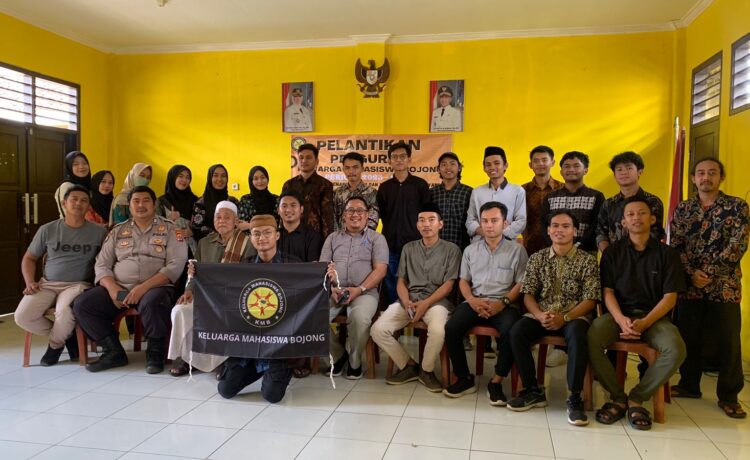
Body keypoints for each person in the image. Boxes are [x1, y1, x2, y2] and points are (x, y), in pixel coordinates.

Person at [588, 197, 686, 430]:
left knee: (676, 348)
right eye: (630, 214)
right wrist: (621, 320)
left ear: (652, 219)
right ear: (623, 222)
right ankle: (617, 397)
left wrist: (645, 322)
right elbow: (607, 292)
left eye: (642, 213)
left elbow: (670, 297)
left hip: (654, 318)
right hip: (618, 315)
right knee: (591, 337)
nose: (636, 218)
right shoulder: (612, 253)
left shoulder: (668, 254)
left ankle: (637, 397)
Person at [73, 186, 188, 374]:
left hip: (155, 287)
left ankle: (155, 354)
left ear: (154, 204)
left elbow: (176, 264)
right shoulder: (118, 230)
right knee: (83, 304)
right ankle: (113, 352)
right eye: (136, 201)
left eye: (146, 200)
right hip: (120, 288)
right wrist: (112, 288)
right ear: (130, 205)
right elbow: (101, 264)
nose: (141, 205)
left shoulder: (171, 229)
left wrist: (142, 288)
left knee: (153, 302)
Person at [670, 158, 748, 419]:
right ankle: (688, 384)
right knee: (689, 336)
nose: (706, 177)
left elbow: (738, 245)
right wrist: (691, 274)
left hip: (724, 285)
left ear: (721, 177)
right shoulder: (683, 209)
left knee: (728, 341)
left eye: (712, 173)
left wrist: (710, 273)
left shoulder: (737, 206)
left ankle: (729, 396)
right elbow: (676, 245)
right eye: (701, 173)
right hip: (690, 285)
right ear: (693, 178)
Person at [506, 210, 600, 426]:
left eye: (566, 226)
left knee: (578, 336)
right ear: (548, 230)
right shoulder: (537, 258)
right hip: (543, 313)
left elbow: (591, 299)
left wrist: (565, 317)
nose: (560, 230)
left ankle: (574, 397)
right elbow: (528, 294)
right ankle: (533, 390)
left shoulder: (587, 260)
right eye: (555, 226)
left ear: (575, 231)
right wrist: (539, 315)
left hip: (574, 316)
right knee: (517, 331)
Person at [370, 203, 461, 391]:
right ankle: (409, 365)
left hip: (437, 302)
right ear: (417, 224)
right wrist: (406, 302)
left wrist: (426, 304)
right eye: (422, 220)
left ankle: (426, 370)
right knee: (377, 329)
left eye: (431, 220)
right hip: (409, 301)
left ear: (440, 224)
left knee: (438, 330)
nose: (426, 224)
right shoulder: (408, 248)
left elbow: (449, 285)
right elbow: (401, 281)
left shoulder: (452, 250)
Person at [443, 202, 527, 404]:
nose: (489, 225)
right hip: (476, 301)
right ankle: (464, 377)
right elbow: (464, 281)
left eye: (494, 220)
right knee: (451, 327)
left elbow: (521, 283)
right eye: (485, 221)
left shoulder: (517, 251)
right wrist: (472, 301)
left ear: (505, 223)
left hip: (505, 303)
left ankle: (496, 381)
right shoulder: (470, 250)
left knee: (512, 331)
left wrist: (503, 302)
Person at [15, 185, 107, 366]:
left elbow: (106, 260)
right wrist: (30, 282)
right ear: (64, 203)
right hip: (47, 284)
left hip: (78, 285)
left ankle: (55, 346)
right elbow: (29, 258)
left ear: (89, 206)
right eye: (74, 199)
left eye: (84, 200)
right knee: (22, 316)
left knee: (64, 312)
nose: (78, 203)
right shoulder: (47, 229)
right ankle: (68, 335)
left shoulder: (99, 232)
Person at [216, 214, 300, 402]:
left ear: (277, 235)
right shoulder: (243, 267)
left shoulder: (294, 265)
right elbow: (224, 291)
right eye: (256, 234)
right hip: (248, 343)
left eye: (267, 233)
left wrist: (325, 276)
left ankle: (279, 371)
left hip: (278, 345)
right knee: (225, 390)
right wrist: (197, 275)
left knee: (272, 396)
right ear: (251, 238)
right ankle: (258, 369)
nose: (262, 238)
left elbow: (311, 293)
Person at [168, 201, 256, 377]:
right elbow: (194, 271)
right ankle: (187, 358)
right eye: (218, 217)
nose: (222, 220)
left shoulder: (247, 243)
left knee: (223, 315)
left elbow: (249, 276)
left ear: (236, 221)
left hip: (233, 298)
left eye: (227, 217)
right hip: (205, 296)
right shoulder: (204, 243)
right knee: (180, 311)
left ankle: (221, 362)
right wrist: (189, 290)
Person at [321, 196, 388, 379]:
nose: (355, 214)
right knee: (312, 317)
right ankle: (338, 355)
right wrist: (332, 288)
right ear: (344, 215)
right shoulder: (332, 238)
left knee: (359, 318)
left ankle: (354, 361)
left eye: (360, 211)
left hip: (365, 293)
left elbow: (381, 270)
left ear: (367, 215)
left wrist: (359, 289)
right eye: (350, 210)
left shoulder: (377, 238)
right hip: (335, 292)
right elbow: (323, 266)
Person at [377, 141, 431, 304]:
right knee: (391, 282)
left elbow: (426, 214)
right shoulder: (384, 187)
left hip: (415, 244)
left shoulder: (420, 185)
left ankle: (413, 312)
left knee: (415, 282)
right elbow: (382, 214)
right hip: (390, 244)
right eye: (395, 157)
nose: (399, 160)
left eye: (402, 156)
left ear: (409, 159)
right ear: (389, 161)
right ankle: (394, 313)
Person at [597, 151, 665, 252]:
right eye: (619, 169)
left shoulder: (652, 202)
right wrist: (609, 255)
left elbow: (656, 233)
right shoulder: (608, 204)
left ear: (639, 172)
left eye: (629, 168)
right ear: (614, 175)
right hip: (614, 257)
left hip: (646, 256)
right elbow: (601, 234)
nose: (624, 172)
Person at [540, 151, 604, 253]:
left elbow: (595, 226)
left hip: (586, 252)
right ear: (561, 172)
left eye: (576, 166)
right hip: (556, 251)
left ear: (585, 170)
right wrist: (556, 245)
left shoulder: (596, 196)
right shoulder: (550, 197)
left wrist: (577, 246)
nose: (571, 169)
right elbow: (544, 225)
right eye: (567, 166)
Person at [466, 146, 526, 243]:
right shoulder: (477, 192)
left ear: (505, 165)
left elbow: (521, 221)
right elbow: (470, 220)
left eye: (497, 163)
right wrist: (484, 232)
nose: (492, 167)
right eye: (488, 165)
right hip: (480, 243)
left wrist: (499, 232)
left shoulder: (518, 191)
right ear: (484, 168)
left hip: (507, 244)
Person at [282, 143, 334, 240]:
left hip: (315, 238)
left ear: (316, 161)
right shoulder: (289, 185)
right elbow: (283, 212)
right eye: (301, 157)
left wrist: (327, 242)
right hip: (291, 236)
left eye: (308, 157)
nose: (304, 161)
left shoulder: (325, 185)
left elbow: (327, 218)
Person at [521, 146, 562, 257]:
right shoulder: (522, 190)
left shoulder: (562, 189)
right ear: (530, 165)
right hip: (530, 247)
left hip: (558, 246)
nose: (540, 164)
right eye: (536, 161)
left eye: (544, 160)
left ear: (552, 162)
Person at [430, 151, 473, 251]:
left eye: (452, 164)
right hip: (436, 249)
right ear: (438, 169)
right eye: (444, 164)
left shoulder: (469, 192)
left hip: (461, 248)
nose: (448, 167)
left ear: (459, 168)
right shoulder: (431, 193)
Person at [333, 152, 379, 232]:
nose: (351, 171)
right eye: (347, 168)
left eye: (355, 167)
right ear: (343, 169)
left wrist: (360, 236)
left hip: (365, 238)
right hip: (341, 237)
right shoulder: (338, 192)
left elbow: (373, 220)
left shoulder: (372, 193)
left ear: (362, 168)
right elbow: (334, 218)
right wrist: (338, 236)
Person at [191, 164, 238, 241]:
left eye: (223, 176)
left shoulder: (233, 202)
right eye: (215, 175)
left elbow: (239, 223)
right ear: (210, 178)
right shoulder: (200, 203)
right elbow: (197, 228)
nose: (220, 179)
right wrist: (221, 235)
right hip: (209, 244)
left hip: (232, 244)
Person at [157, 165, 198, 254]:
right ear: (173, 177)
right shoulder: (162, 201)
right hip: (170, 250)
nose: (184, 180)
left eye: (187, 177)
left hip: (192, 249)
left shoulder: (196, 201)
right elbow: (155, 228)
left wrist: (193, 231)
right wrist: (169, 221)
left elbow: (203, 225)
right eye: (180, 176)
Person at [278, 192, 322, 263]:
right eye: (284, 206)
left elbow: (313, 266)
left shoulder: (312, 237)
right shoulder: (273, 236)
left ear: (301, 209)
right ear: (278, 210)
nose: (288, 210)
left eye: (293, 205)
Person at [54, 151, 91, 218]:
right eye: (76, 164)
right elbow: (70, 214)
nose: (81, 167)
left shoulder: (90, 185)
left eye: (84, 163)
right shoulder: (67, 186)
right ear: (69, 167)